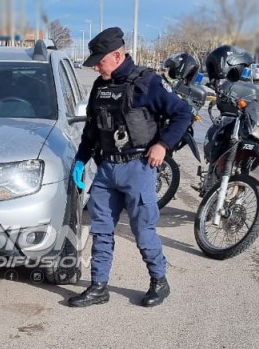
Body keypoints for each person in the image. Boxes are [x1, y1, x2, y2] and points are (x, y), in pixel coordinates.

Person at [66, 27, 192, 308]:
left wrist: (163, 145)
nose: (96, 67)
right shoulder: (101, 85)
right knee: (100, 230)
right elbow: (91, 129)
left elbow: (183, 114)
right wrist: (81, 159)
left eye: (100, 61)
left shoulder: (148, 83)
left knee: (143, 230)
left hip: (138, 168)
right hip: (107, 169)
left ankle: (159, 281)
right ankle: (99, 287)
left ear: (118, 55)